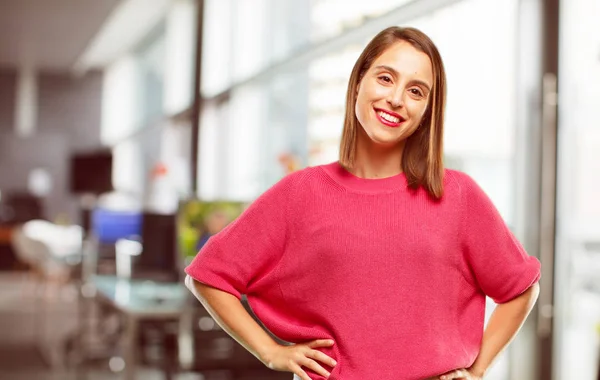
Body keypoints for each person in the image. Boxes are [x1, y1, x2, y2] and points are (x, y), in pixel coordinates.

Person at [185, 26, 541, 380]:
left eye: (416, 91)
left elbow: (520, 289)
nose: (397, 99)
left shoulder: (457, 195)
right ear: (359, 82)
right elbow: (208, 276)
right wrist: (271, 352)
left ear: (426, 111)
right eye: (386, 78)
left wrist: (476, 371)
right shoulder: (302, 192)